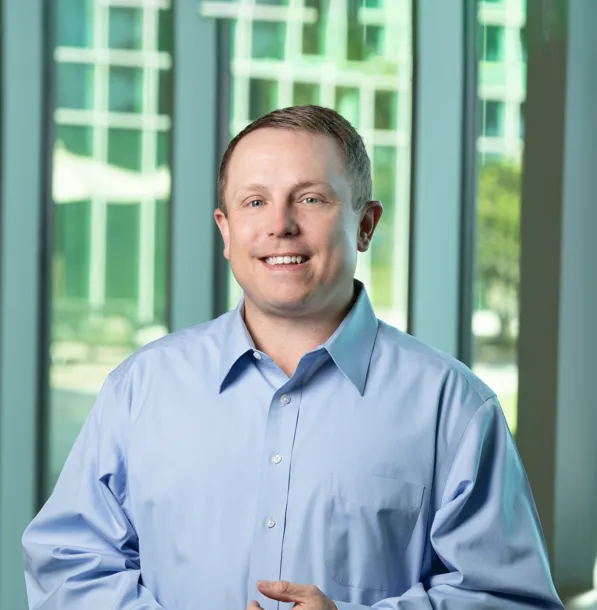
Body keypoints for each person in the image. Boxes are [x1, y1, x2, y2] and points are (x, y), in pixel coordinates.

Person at [22, 105, 563, 610]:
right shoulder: (140, 388)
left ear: (366, 224)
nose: (280, 224)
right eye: (254, 202)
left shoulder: (456, 408)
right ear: (226, 230)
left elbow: (509, 598)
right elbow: (68, 564)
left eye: (310, 198)